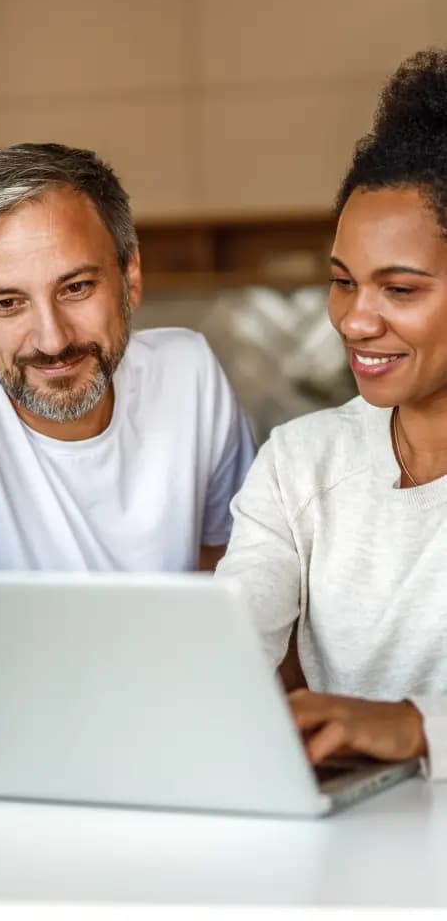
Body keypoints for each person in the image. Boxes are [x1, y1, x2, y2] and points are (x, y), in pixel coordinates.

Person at [0, 142, 254, 733]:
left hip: (171, 742)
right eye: (7, 303)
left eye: (76, 288)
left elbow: (244, 597)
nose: (51, 339)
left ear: (130, 276)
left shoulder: (189, 372)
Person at [216, 48, 447, 780]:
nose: (353, 320)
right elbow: (231, 646)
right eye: (343, 283)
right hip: (343, 853)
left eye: (400, 290)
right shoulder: (300, 460)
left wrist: (414, 726)